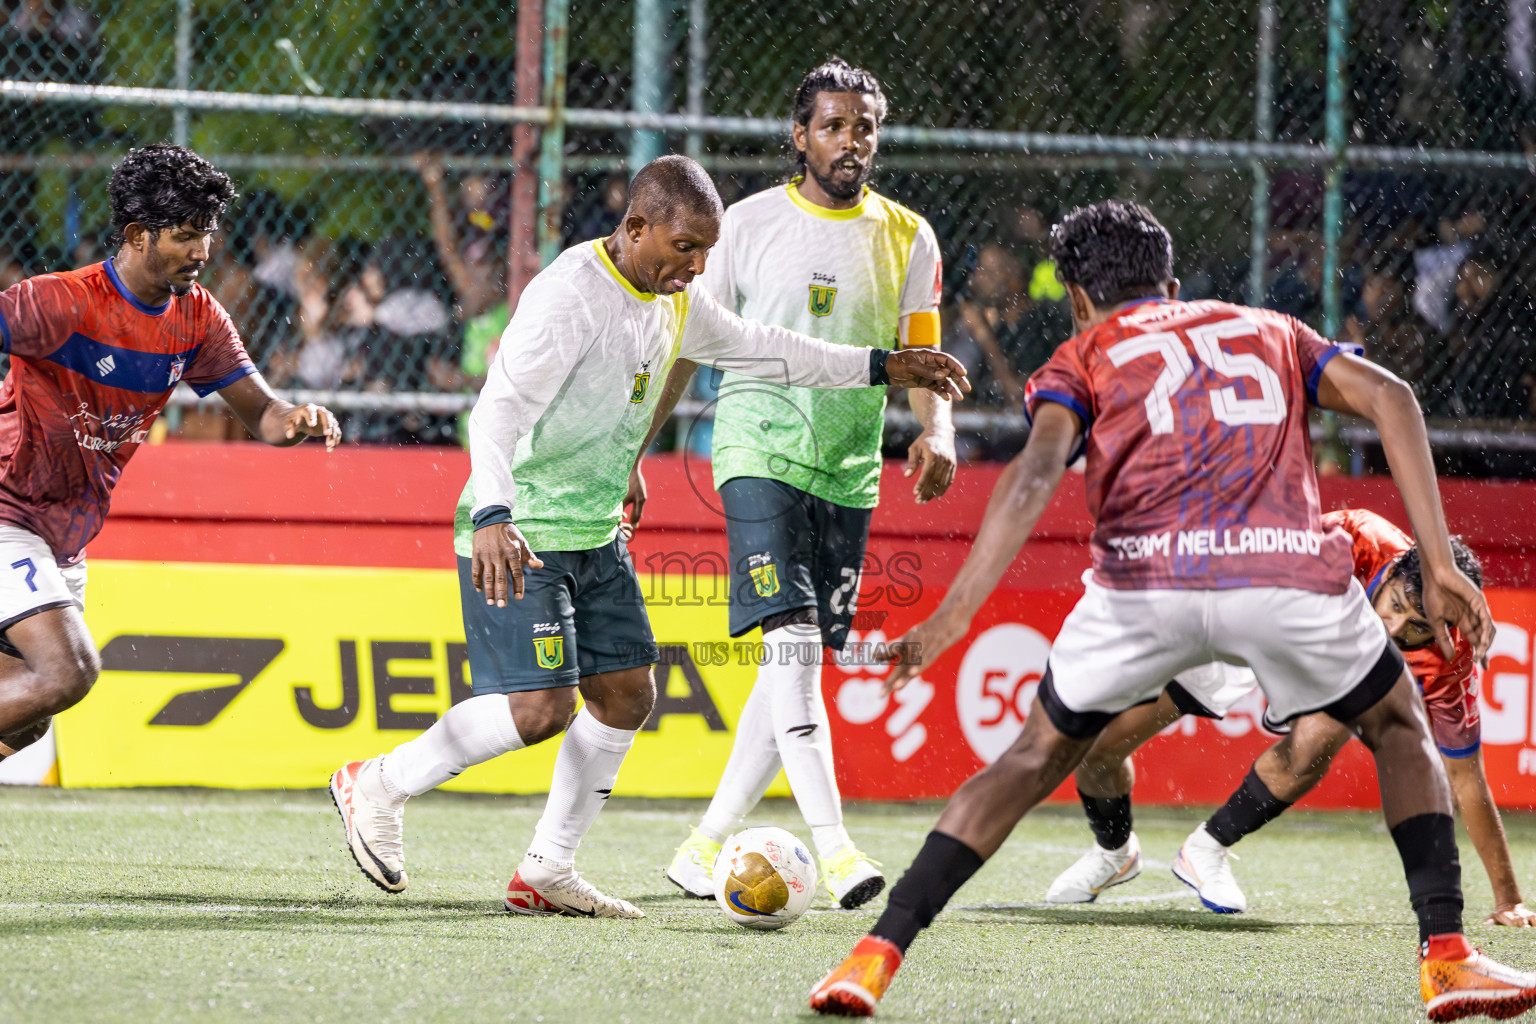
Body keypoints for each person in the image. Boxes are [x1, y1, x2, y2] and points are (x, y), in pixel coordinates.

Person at [808, 199, 1536, 1021]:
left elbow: (1035, 473)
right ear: (1175, 285)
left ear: (1080, 298)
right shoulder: (1272, 328)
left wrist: (949, 619)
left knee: (1030, 759)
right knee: (1400, 726)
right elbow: (1395, 398)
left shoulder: (1082, 351)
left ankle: (876, 955)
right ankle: (1446, 955)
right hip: (1282, 574)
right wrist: (1438, 564)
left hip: (1143, 584)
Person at [328, 154, 969, 919]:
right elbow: (495, 411)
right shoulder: (570, 294)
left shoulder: (677, 298)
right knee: (540, 710)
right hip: (522, 526)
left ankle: (547, 870)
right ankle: (378, 783)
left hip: (595, 529)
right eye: (684, 248)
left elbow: (770, 348)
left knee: (629, 695)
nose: (697, 267)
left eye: (706, 251)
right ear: (635, 228)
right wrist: (495, 515)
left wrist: (881, 365)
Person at [655, 59, 955, 912]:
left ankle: (702, 846)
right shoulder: (744, 226)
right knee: (790, 651)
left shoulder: (910, 236)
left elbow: (920, 353)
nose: (850, 141)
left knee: (794, 663)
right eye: (833, 126)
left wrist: (936, 425)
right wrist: (637, 454)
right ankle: (834, 850)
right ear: (800, 136)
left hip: (850, 469)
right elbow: (689, 344)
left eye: (864, 127)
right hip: (755, 451)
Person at [0, 144, 341, 765]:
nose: (203, 252)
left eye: (208, 234)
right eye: (186, 236)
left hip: (65, 537)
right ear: (136, 234)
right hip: (8, 515)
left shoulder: (197, 318)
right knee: (68, 671)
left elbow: (261, 412)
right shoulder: (59, 302)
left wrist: (292, 419)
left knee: (25, 720)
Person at [1046, 507, 1535, 928]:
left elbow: (1465, 780)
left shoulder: (1453, 662)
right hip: (1247, 614)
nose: (1396, 628)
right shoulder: (1353, 536)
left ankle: (1206, 848)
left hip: (1332, 659)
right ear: (1388, 577)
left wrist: (1508, 898)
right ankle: (1114, 852)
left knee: (1322, 732)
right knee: (1097, 751)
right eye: (1397, 607)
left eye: (1418, 627)